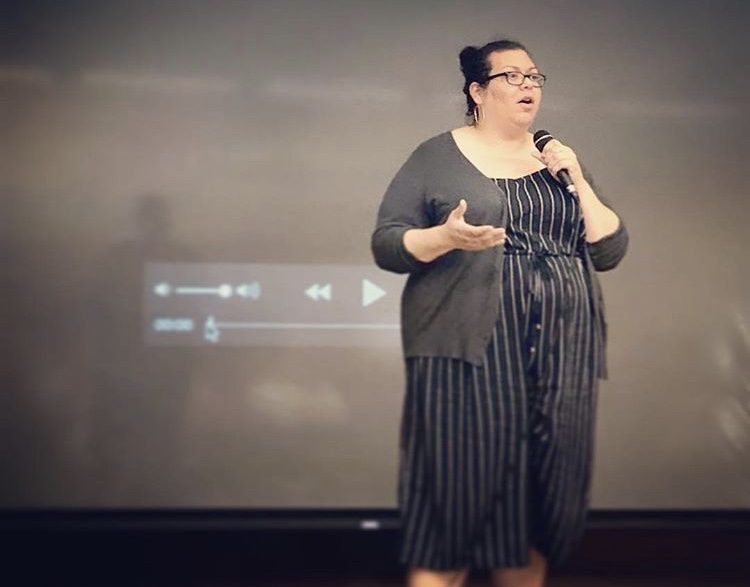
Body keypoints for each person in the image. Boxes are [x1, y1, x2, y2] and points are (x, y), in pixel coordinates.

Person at [371, 40, 628, 587]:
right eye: (512, 76)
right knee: (455, 493)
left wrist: (578, 179)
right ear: (478, 91)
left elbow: (609, 249)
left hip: (562, 356)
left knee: (539, 498)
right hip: (465, 353)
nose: (528, 85)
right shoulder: (437, 156)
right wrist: (442, 237)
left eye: (534, 75)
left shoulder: (557, 157)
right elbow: (387, 245)